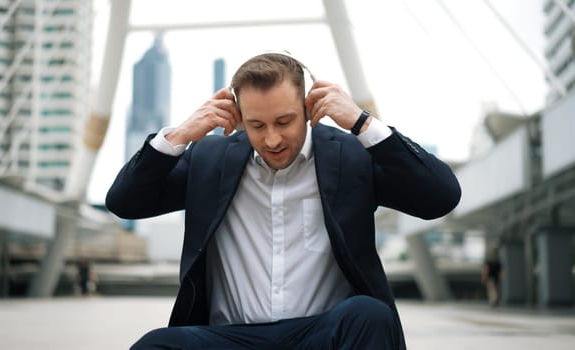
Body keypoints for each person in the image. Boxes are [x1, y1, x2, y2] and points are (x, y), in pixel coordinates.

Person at [106, 52, 461, 350]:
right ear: (239, 117)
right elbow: (125, 202)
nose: (272, 138)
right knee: (155, 346)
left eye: (284, 121)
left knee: (370, 315)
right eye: (256, 125)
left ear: (309, 107)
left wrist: (363, 122)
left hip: (322, 335)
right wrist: (181, 134)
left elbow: (440, 197)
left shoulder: (350, 158)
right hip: (234, 338)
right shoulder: (209, 160)